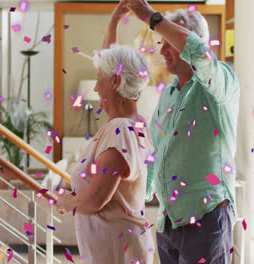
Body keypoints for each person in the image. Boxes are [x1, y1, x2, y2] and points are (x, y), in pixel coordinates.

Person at [123, 0, 240, 263]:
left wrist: (152, 17)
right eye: (160, 41)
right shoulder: (168, 95)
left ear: (190, 41)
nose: (161, 48)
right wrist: (137, 200)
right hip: (168, 224)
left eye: (168, 40)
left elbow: (200, 54)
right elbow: (155, 151)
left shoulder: (220, 83)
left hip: (206, 218)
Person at [55, 3, 155, 264]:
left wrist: (64, 202)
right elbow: (112, 66)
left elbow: (97, 199)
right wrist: (113, 23)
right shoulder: (133, 122)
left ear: (115, 81)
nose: (96, 87)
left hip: (118, 253)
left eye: (99, 78)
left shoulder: (120, 129)